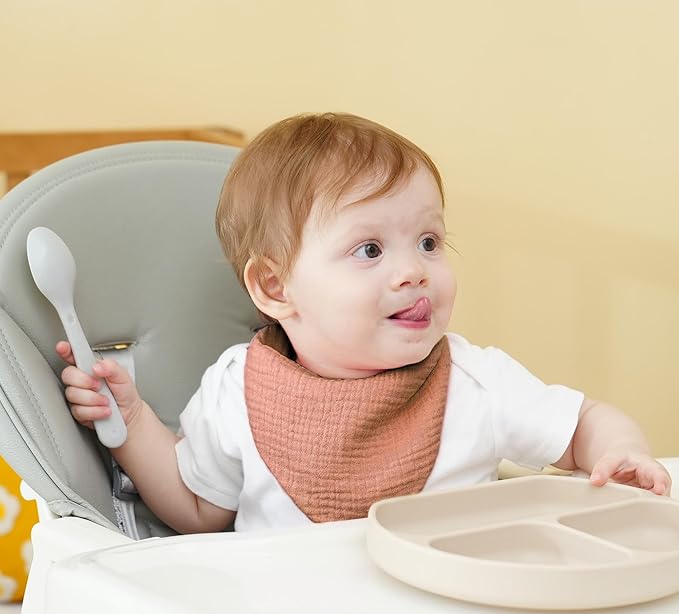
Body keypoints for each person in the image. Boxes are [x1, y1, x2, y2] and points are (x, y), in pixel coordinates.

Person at [56, 112, 671, 534]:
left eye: (429, 241)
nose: (414, 271)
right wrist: (133, 422)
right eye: (370, 250)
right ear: (275, 287)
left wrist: (621, 453)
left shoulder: (474, 382)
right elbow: (197, 510)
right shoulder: (238, 387)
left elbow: (584, 423)